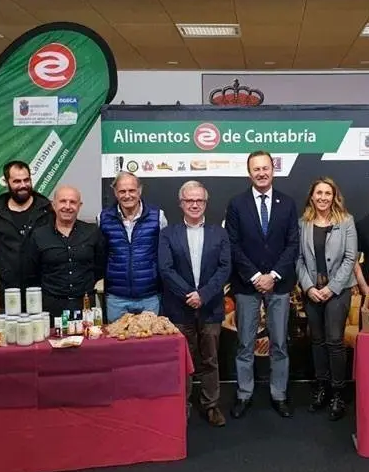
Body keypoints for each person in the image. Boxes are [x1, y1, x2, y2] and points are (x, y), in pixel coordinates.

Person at [225, 150, 299, 419]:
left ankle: (279, 394)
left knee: (279, 343)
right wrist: (256, 277)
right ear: (249, 173)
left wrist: (274, 275)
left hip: (279, 285)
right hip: (247, 285)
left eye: (265, 168)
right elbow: (232, 244)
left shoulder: (288, 204)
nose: (261, 173)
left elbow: (293, 244)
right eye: (256, 169)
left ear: (273, 170)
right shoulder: (236, 204)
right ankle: (244, 393)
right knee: (245, 343)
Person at [158, 181, 231, 427]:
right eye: (189, 200)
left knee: (210, 359)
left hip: (210, 308)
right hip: (179, 308)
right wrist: (188, 293)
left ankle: (211, 405)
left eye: (199, 200)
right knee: (182, 360)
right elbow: (165, 269)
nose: (195, 204)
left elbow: (224, 268)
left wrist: (204, 295)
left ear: (206, 203)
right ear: (181, 204)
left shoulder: (219, 233)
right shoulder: (168, 233)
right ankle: (182, 405)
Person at [296, 177, 357, 420]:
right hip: (312, 291)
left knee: (334, 341)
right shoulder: (303, 223)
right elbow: (298, 259)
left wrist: (331, 288)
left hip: (338, 291)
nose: (323, 197)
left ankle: (338, 392)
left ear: (334, 197)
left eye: (327, 193)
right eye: (318, 193)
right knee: (317, 341)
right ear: (312, 196)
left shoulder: (346, 222)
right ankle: (321, 388)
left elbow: (350, 258)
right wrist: (308, 286)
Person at [23, 186, 106, 326]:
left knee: (88, 346)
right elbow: (30, 273)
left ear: (79, 206)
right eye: (63, 201)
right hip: (50, 307)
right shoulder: (38, 235)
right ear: (53, 204)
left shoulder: (92, 232)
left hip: (85, 305)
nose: (67, 206)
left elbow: (100, 266)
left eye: (73, 202)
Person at [0, 160, 52, 310]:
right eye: (17, 181)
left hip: (43, 291)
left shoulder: (47, 211)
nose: (23, 185)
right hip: (10, 292)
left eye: (26, 180)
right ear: (7, 182)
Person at [100, 172, 168, 323]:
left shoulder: (158, 217)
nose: (127, 195)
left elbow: (164, 256)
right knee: (118, 344)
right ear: (115, 193)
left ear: (140, 190)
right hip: (116, 298)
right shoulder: (103, 218)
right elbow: (101, 256)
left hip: (150, 296)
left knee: (150, 344)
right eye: (122, 191)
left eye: (131, 190)